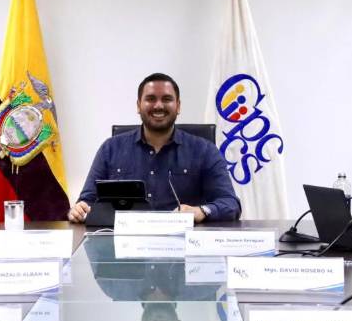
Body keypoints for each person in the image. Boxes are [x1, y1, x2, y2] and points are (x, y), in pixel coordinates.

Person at [68, 73, 241, 224]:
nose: (158, 105)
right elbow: (87, 201)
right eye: (150, 99)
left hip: (184, 245)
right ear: (138, 105)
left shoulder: (205, 150)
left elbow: (231, 204)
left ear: (178, 106)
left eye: (167, 99)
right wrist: (78, 210)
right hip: (124, 245)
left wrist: (201, 211)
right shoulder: (110, 149)